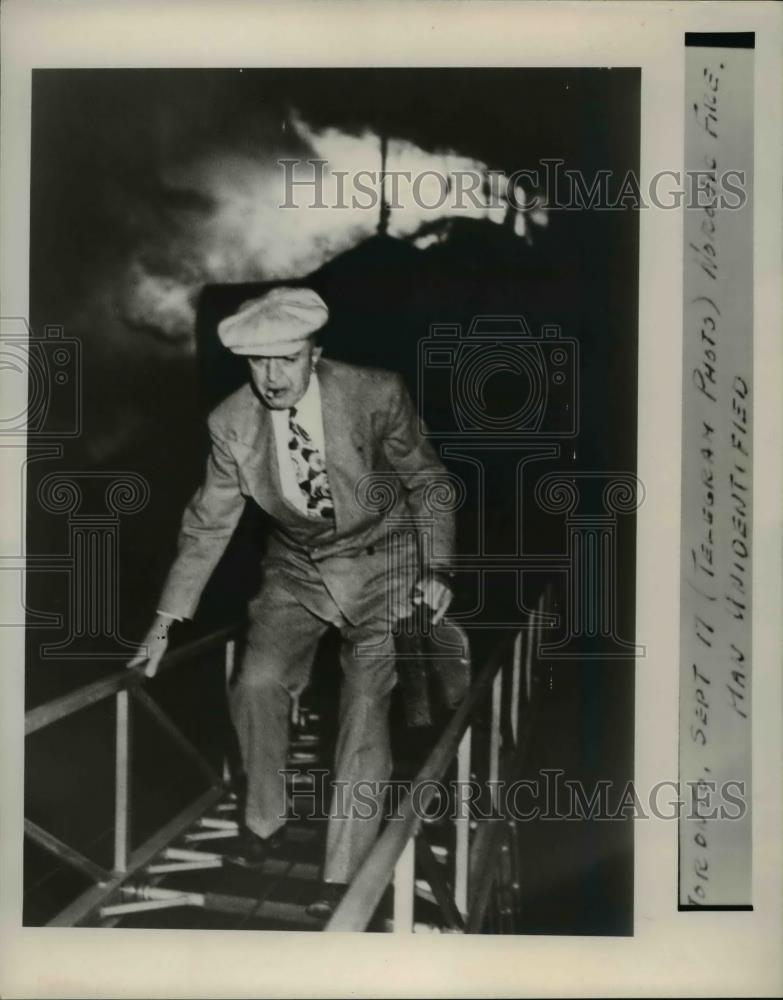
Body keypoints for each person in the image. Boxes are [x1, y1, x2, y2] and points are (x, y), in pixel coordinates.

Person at [129, 286, 455, 919]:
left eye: (287, 359)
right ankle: (264, 819)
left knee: (365, 701)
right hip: (296, 569)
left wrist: (437, 568)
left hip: (383, 560)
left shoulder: (372, 393)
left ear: (316, 353)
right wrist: (166, 621)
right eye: (258, 362)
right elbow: (207, 524)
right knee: (256, 683)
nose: (272, 377)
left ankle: (342, 876)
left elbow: (430, 480)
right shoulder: (230, 423)